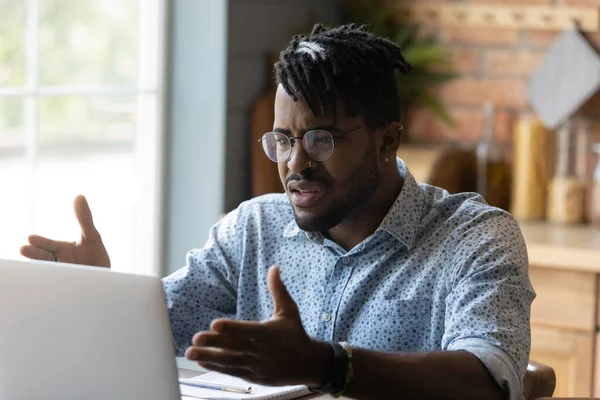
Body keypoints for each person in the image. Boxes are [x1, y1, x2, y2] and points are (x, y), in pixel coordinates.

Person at [20, 24, 534, 400]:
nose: (296, 164)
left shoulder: (477, 238)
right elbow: (164, 337)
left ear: (386, 140)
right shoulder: (253, 229)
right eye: (283, 140)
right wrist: (102, 300)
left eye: (321, 139)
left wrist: (329, 365)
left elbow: (489, 378)